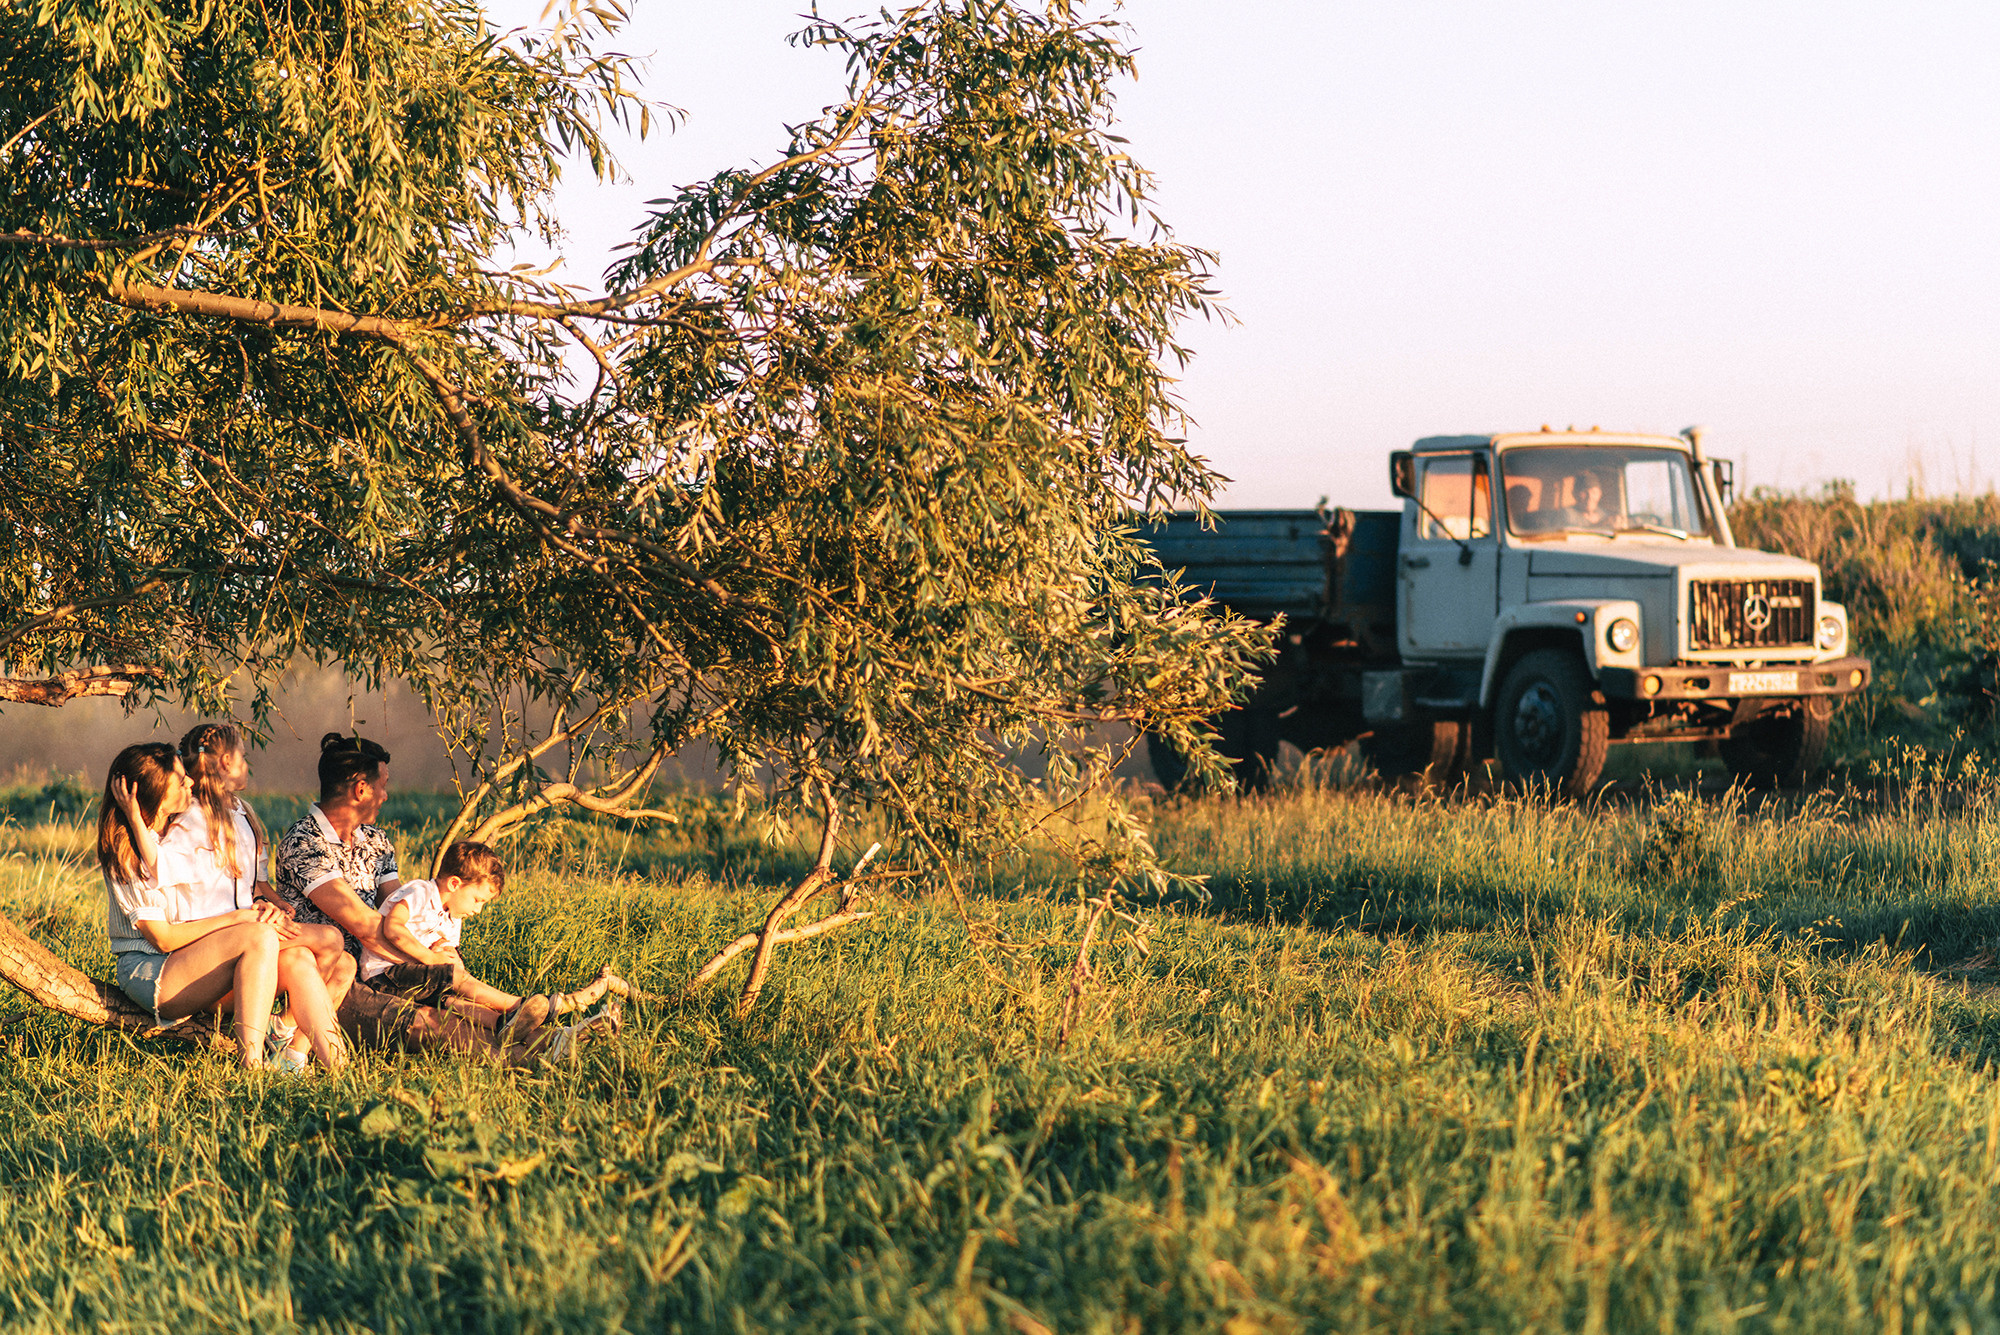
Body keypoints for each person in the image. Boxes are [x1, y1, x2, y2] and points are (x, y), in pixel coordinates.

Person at [271, 734, 548, 1058]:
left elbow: (400, 906)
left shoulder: (376, 841)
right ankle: (527, 1060)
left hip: (389, 965)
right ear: (361, 789)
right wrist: (431, 962)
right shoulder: (304, 842)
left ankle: (551, 1040)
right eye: (383, 785)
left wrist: (439, 948)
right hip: (334, 978)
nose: (386, 796)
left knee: (460, 1000)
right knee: (437, 1022)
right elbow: (363, 925)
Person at [100, 743, 344, 1072]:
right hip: (154, 974)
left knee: (301, 958)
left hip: (197, 963)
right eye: (180, 779)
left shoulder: (171, 836)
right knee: (258, 937)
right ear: (157, 789)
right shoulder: (127, 850)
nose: (190, 783)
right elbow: (164, 940)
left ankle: (338, 1072)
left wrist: (263, 907)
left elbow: (222, 891)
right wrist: (244, 918)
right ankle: (251, 1068)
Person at [165, 722, 355, 1071]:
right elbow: (192, 903)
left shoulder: (240, 812)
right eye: (243, 756)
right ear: (225, 763)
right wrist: (253, 918)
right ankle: (278, 1029)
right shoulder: (189, 821)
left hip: (245, 933)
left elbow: (249, 882)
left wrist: (271, 903)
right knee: (330, 939)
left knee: (326, 963)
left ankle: (323, 1067)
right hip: (212, 956)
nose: (248, 764)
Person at [360, 840, 621, 1050]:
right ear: (454, 884)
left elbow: (447, 949)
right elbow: (392, 928)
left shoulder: (452, 914)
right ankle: (521, 1006)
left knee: (456, 1001)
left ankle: (520, 1027)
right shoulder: (420, 892)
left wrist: (444, 951)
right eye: (477, 900)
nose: (478, 910)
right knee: (453, 979)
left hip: (418, 978)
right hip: (385, 976)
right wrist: (431, 959)